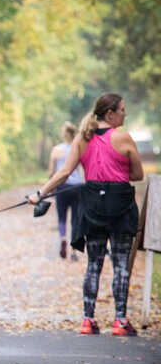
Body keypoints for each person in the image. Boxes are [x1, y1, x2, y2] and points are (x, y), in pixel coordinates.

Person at [28, 93, 143, 336]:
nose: (125, 113)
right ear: (110, 114)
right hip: (120, 205)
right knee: (121, 264)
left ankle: (88, 320)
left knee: (93, 264)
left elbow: (64, 174)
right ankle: (120, 321)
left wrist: (40, 193)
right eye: (122, 109)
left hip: (92, 205)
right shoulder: (123, 138)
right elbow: (137, 174)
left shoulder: (83, 138)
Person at [47, 122, 84, 261]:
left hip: (62, 187)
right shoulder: (79, 148)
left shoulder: (56, 150)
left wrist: (50, 187)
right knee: (75, 219)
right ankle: (74, 251)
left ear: (63, 134)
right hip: (77, 187)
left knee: (61, 217)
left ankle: (63, 239)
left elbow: (51, 172)